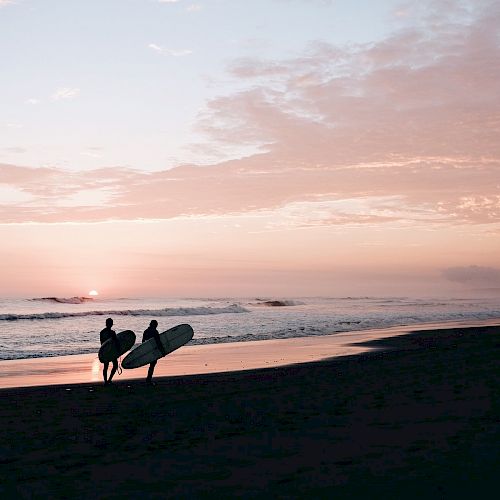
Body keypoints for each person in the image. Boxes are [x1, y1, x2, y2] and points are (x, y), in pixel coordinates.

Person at [142, 320, 166, 385]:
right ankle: (148, 379)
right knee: (152, 365)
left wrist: (144, 351)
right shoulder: (155, 332)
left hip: (147, 350)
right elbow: (158, 342)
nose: (156, 326)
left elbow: (143, 342)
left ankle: (148, 379)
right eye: (156, 325)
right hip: (154, 350)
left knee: (151, 365)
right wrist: (162, 351)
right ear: (154, 325)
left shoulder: (146, 331)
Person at [100, 317, 119, 385]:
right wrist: (118, 350)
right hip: (111, 351)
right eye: (110, 323)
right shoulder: (111, 332)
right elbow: (116, 342)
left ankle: (107, 381)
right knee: (112, 366)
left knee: (108, 366)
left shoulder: (102, 332)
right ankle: (108, 380)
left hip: (107, 351)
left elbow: (102, 343)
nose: (110, 325)